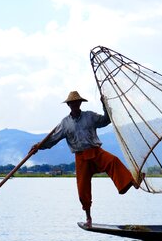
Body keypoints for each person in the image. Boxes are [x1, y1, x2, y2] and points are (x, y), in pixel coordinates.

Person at [30, 91, 144, 227]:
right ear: (69, 105)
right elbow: (53, 139)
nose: (74, 105)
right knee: (82, 189)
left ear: (80, 103)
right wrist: (39, 146)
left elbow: (106, 120)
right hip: (81, 157)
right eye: (72, 103)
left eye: (77, 102)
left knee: (113, 161)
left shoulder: (89, 116)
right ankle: (88, 218)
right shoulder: (65, 123)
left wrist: (104, 105)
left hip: (96, 152)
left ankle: (133, 182)